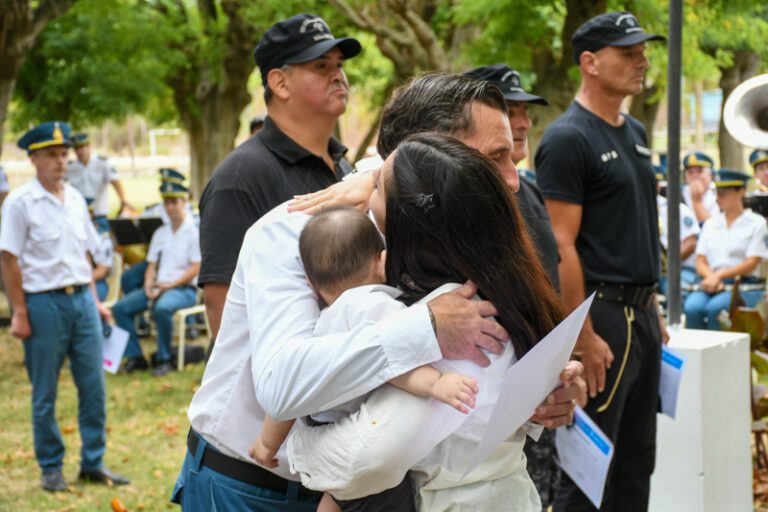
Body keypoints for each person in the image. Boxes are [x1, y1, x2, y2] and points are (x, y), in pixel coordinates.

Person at [173, 75, 585, 511]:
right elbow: (280, 387)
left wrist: (543, 394)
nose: (512, 180)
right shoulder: (296, 231)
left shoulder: (455, 233)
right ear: (429, 153)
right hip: (254, 488)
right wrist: (427, 327)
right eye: (494, 159)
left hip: (371, 494)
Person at [250, 206, 479, 512]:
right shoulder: (373, 306)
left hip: (320, 431)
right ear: (383, 261)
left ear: (309, 281)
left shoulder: (320, 322)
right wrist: (436, 383)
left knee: (336, 498)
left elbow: (294, 399)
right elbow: (398, 362)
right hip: (356, 438)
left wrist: (267, 443)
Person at [534, 11, 666, 511]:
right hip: (602, 316)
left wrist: (651, 308)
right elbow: (560, 245)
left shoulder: (633, 129)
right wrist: (582, 333)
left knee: (637, 461)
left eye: (643, 51)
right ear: (589, 62)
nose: (643, 61)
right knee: (589, 471)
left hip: (640, 315)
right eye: (628, 52)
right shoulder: (569, 138)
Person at [198, 13, 360, 344]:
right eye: (321, 67)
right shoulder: (241, 177)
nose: (338, 77)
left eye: (339, 65)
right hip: (290, 385)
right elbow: (222, 308)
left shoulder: (345, 168)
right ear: (280, 83)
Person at [0, 121, 129, 491]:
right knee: (45, 391)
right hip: (43, 304)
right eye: (53, 155)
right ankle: (51, 466)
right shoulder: (20, 203)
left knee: (93, 386)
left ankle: (93, 461)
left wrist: (95, 301)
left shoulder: (73, 198)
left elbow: (83, 257)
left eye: (64, 155)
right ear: (34, 158)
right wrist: (20, 312)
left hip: (82, 304)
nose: (61, 162)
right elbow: (8, 261)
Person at [462, 63, 560, 509]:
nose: (520, 122)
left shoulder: (530, 192)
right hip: (482, 429)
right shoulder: (455, 206)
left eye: (523, 111)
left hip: (539, 401)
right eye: (508, 109)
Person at [111, 180, 200, 376]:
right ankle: (136, 356)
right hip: (158, 286)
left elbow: (196, 268)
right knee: (120, 309)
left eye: (174, 202)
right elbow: (151, 265)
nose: (170, 207)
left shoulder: (193, 232)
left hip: (183, 289)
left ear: (184, 202)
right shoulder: (161, 233)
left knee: (162, 308)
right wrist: (148, 285)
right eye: (166, 202)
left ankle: (164, 357)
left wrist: (168, 286)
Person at [684, 170, 768, 330]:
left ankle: (720, 355)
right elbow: (700, 260)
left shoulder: (756, 223)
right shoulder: (711, 224)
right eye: (717, 193)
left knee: (716, 309)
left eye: (724, 193)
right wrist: (711, 277)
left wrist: (719, 275)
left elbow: (752, 262)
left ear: (741, 191)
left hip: (743, 285)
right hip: (712, 283)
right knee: (692, 308)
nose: (718, 198)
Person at [67, 133, 133, 233]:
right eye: (77, 148)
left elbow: (115, 181)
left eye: (83, 147)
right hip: (79, 216)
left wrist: (123, 200)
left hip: (100, 214)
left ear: (89, 147)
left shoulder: (102, 163)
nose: (80, 151)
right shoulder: (70, 167)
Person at [656, 167, 701, 297]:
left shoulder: (675, 208)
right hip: (646, 272)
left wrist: (666, 263)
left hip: (680, 269)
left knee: (674, 291)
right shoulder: (632, 209)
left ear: (658, 186)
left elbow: (691, 243)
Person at [681, 151, 719, 224]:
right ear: (685, 178)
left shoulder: (719, 193)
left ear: (710, 175)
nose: (695, 176)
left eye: (700, 171)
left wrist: (697, 201)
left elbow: (713, 229)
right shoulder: (679, 195)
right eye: (690, 172)